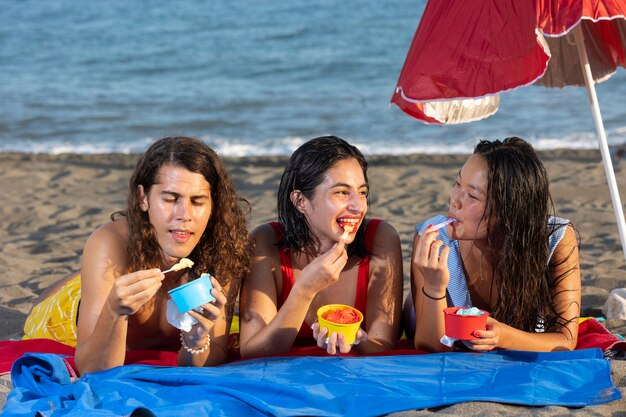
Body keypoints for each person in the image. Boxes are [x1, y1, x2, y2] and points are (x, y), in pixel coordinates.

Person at [24, 136, 251, 373]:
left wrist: (196, 342)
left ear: (213, 204)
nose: (185, 214)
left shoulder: (224, 250)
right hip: (69, 314)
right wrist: (113, 310)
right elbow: (91, 369)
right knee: (69, 291)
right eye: (171, 199)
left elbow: (210, 356)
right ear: (143, 198)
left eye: (198, 201)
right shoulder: (110, 242)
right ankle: (79, 279)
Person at [406, 137, 581, 353]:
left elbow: (565, 340)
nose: (455, 200)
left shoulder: (554, 240)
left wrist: (503, 336)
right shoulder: (433, 239)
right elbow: (429, 347)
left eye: (472, 195)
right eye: (457, 184)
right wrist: (434, 287)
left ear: (509, 211)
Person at [238, 136, 403, 358]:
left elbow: (383, 345)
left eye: (362, 192)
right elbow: (252, 351)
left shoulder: (380, 239)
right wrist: (304, 290)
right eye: (342, 192)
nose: (359, 206)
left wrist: (356, 342)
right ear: (300, 201)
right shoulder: (265, 242)